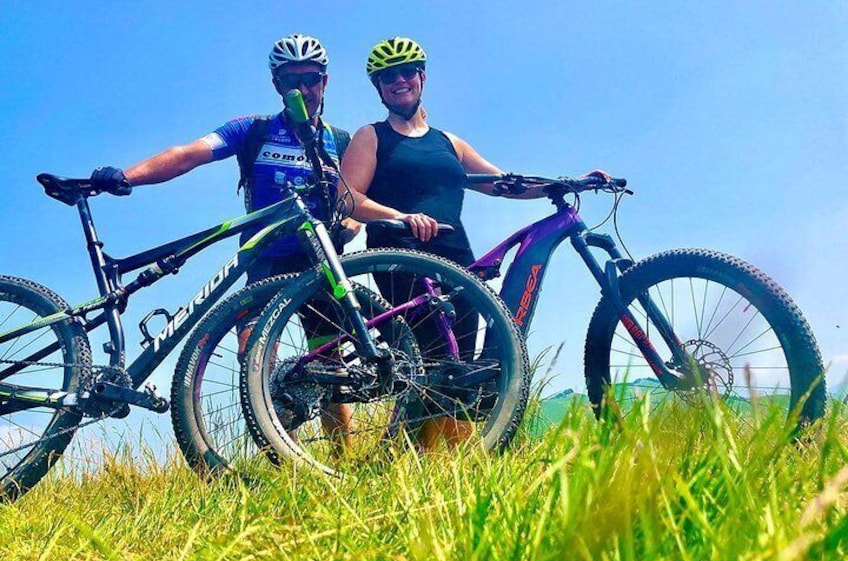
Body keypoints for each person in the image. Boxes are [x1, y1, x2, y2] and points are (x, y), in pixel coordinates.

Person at [339, 37, 608, 447]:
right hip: (401, 257)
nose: (399, 81)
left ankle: (443, 462)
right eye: (388, 76)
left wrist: (566, 183)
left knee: (460, 363)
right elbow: (349, 199)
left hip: (456, 259)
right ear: (378, 88)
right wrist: (400, 216)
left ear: (421, 77)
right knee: (430, 357)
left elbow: (503, 184)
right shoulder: (371, 136)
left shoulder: (450, 142)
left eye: (406, 72)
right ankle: (417, 456)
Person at [88, 33, 355, 445]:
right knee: (256, 362)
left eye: (311, 78)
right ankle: (285, 460)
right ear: (275, 84)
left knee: (331, 364)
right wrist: (128, 176)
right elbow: (188, 154)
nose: (302, 89)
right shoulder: (253, 130)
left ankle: (343, 461)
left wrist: (351, 224)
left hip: (320, 265)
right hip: (265, 261)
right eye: (290, 80)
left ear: (325, 81)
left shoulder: (340, 141)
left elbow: (354, 198)